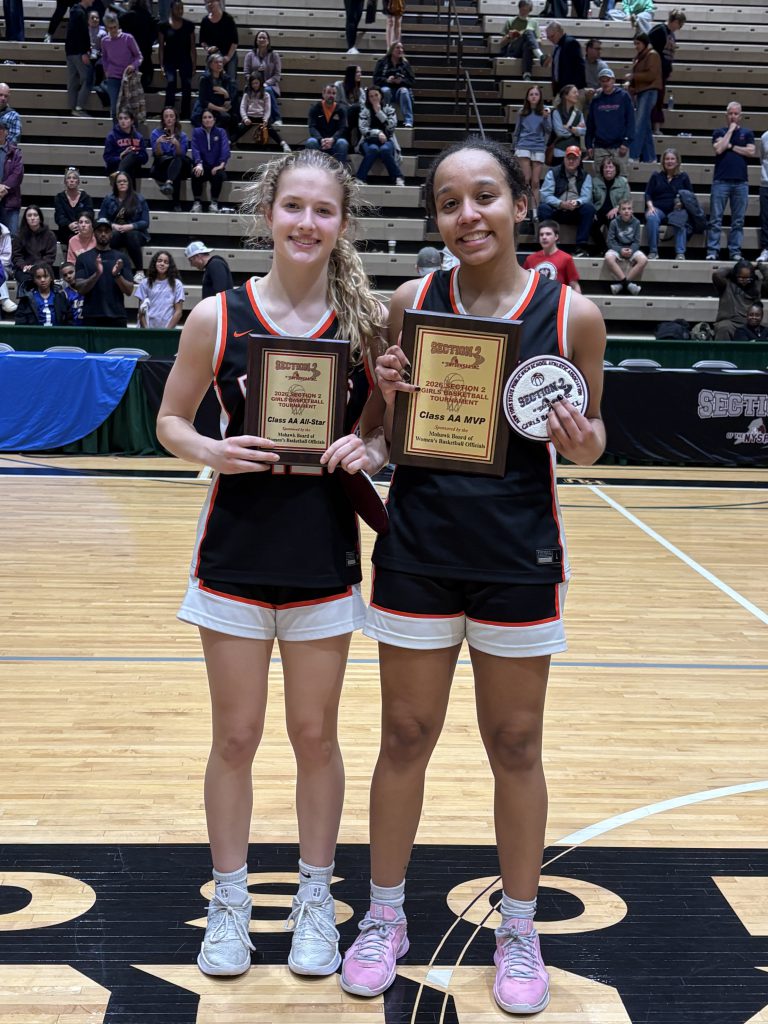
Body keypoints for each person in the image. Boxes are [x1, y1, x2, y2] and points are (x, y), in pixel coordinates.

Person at [340, 135, 605, 1015]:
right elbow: (382, 437)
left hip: (518, 555)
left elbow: (596, 438)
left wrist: (582, 441)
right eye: (449, 203)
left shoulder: (571, 316)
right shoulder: (410, 303)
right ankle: (384, 917)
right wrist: (368, 429)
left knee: (516, 746)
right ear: (438, 219)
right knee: (404, 739)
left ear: (519, 204)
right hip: (418, 549)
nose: (468, 215)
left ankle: (519, 927)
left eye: (485, 196)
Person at [156, 148, 388, 981]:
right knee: (236, 736)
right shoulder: (215, 318)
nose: (306, 223)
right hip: (234, 558)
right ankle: (228, 901)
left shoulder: (366, 327)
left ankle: (316, 902)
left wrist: (369, 444)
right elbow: (170, 423)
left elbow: (383, 432)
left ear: (342, 225)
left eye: (323, 211)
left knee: (316, 735)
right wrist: (215, 450)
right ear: (267, 215)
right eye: (293, 207)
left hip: (325, 557)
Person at [706, 102, 756, 262]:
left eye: (736, 114)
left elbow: (751, 152)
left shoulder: (747, 133)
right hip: (721, 181)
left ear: (740, 116)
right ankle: (713, 250)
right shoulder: (718, 132)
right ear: (726, 115)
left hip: (741, 182)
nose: (733, 116)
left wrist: (732, 145)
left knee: (738, 220)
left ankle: (735, 251)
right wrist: (730, 131)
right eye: (730, 113)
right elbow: (719, 149)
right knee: (715, 219)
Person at [74, 215, 134, 327]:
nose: (103, 234)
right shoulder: (83, 258)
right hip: (91, 316)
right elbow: (80, 289)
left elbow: (129, 290)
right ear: (94, 233)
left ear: (111, 234)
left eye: (106, 231)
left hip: (117, 316)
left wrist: (117, 275)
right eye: (99, 231)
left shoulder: (122, 258)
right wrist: (97, 274)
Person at [538, 145, 595, 257]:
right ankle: (549, 245)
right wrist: (561, 204)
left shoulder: (585, 176)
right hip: (557, 210)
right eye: (569, 158)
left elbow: (586, 197)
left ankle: (581, 247)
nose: (571, 161)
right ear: (564, 159)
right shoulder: (553, 173)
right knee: (543, 208)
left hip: (575, 211)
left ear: (579, 160)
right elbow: (545, 195)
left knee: (589, 208)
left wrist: (577, 202)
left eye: (574, 158)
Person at [98, 170, 150, 278]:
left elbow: (145, 222)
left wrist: (130, 226)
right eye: (119, 182)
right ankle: (109, 270)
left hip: (136, 233)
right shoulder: (109, 199)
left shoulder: (139, 199)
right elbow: (101, 218)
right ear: (115, 184)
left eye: (124, 181)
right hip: (116, 230)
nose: (122, 183)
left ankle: (140, 271)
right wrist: (113, 226)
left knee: (131, 235)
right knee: (109, 236)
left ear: (129, 183)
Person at [644, 147, 693, 260]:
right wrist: (650, 206)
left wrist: (682, 204)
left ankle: (680, 253)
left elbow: (690, 195)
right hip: (658, 208)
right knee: (651, 217)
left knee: (681, 217)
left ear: (677, 161)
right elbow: (648, 194)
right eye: (667, 159)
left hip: (677, 209)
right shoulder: (656, 175)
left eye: (672, 159)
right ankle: (653, 251)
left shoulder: (683, 176)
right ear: (663, 161)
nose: (669, 161)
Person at [512, 84, 550, 211]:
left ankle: (534, 211)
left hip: (538, 147)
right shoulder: (522, 113)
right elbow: (517, 131)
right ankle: (524, 209)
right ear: (528, 98)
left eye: (536, 94)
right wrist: (515, 147)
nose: (534, 97)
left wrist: (545, 119)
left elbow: (549, 130)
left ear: (540, 97)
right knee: (526, 179)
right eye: (531, 94)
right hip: (524, 146)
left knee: (535, 182)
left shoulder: (544, 113)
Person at [356, 86, 404, 185]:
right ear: (368, 98)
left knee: (385, 150)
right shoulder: (364, 111)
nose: (374, 98)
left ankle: (397, 177)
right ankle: (360, 178)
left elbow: (391, 127)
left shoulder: (389, 109)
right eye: (371, 96)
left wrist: (379, 112)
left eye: (376, 95)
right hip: (368, 140)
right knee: (373, 149)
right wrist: (378, 133)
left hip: (387, 140)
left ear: (381, 96)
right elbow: (363, 130)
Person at [625, 33, 661, 165]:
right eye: (635, 44)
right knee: (644, 125)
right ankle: (650, 157)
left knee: (639, 124)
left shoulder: (652, 55)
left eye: (638, 43)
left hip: (649, 91)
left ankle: (634, 155)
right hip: (642, 91)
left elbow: (651, 75)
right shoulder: (641, 56)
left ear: (644, 43)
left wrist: (634, 76)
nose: (636, 46)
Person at [648, 9, 685, 134]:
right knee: (654, 99)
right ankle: (651, 127)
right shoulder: (659, 30)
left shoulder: (671, 34)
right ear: (674, 21)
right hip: (655, 72)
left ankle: (656, 127)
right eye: (679, 25)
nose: (679, 28)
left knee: (659, 99)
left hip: (662, 73)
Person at [158, 0, 196, 120]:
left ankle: (185, 114)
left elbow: (192, 47)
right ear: (171, 9)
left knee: (187, 84)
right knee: (171, 82)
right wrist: (161, 65)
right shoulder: (163, 25)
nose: (179, 11)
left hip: (185, 59)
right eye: (177, 8)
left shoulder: (189, 25)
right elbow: (161, 47)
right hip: (169, 60)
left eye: (181, 9)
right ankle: (168, 113)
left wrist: (194, 64)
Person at [712, 260, 768, 341]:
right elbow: (717, 274)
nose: (744, 281)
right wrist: (737, 268)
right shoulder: (726, 284)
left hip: (750, 324)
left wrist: (759, 265)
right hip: (731, 323)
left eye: (747, 278)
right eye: (741, 278)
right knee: (724, 328)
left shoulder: (757, 285)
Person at [101, 12, 143, 121]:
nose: (113, 30)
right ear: (107, 28)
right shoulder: (105, 41)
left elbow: (139, 56)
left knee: (131, 108)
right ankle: (116, 135)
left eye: (115, 27)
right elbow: (104, 58)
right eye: (110, 28)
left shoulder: (128, 38)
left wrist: (133, 66)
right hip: (113, 77)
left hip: (128, 77)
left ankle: (133, 135)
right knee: (115, 108)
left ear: (118, 25)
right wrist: (106, 70)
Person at [235, 73, 290, 153]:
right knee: (240, 129)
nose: (255, 85)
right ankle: (230, 141)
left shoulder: (266, 94)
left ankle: (283, 143)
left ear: (260, 82)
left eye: (256, 83)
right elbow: (242, 107)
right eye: (253, 83)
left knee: (270, 129)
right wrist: (245, 118)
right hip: (250, 117)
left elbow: (268, 109)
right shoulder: (247, 94)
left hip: (262, 117)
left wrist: (266, 119)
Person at [150, 105, 191, 210]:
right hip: (162, 166)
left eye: (171, 116)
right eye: (166, 116)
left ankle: (169, 184)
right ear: (163, 119)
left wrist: (177, 144)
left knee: (177, 160)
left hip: (178, 164)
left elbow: (181, 154)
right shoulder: (156, 133)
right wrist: (158, 143)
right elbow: (158, 155)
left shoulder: (182, 136)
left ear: (175, 118)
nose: (169, 118)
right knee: (174, 169)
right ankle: (176, 203)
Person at [603, 198, 647, 294]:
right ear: (619, 211)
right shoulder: (614, 222)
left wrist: (631, 250)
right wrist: (620, 250)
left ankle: (621, 285)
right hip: (617, 248)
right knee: (608, 257)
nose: (626, 211)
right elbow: (610, 242)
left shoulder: (636, 222)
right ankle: (627, 283)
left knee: (643, 259)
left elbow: (637, 242)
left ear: (632, 210)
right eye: (623, 209)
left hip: (631, 248)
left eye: (629, 208)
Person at [191, 108, 230, 213]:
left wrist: (221, 165)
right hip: (203, 165)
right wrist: (198, 163)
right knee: (195, 172)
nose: (207, 120)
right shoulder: (197, 132)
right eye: (205, 117)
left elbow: (225, 149)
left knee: (218, 175)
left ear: (214, 119)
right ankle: (197, 202)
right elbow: (195, 150)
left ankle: (214, 203)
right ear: (202, 120)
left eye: (209, 117)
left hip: (217, 166)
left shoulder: (221, 132)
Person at [524, 218, 581, 290]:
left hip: (557, 299)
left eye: (548, 234)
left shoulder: (566, 258)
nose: (544, 237)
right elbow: (524, 283)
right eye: (541, 235)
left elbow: (574, 285)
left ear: (556, 237)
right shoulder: (530, 259)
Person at [11, 205, 58, 289]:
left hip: (44, 267)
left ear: (40, 217)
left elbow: (50, 256)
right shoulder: (19, 235)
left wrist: (35, 267)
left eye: (35, 215)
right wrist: (24, 266)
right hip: (24, 269)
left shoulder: (50, 235)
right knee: (27, 281)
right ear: (25, 219)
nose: (32, 218)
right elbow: (16, 256)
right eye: (29, 216)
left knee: (43, 278)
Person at [243, 31, 283, 126]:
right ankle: (245, 119)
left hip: (270, 86)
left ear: (268, 41)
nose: (262, 39)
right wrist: (254, 80)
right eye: (259, 38)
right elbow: (246, 73)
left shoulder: (274, 55)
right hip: (253, 85)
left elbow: (277, 75)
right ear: (256, 40)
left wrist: (265, 84)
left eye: (264, 38)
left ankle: (277, 118)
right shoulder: (250, 55)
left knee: (267, 90)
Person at [136, 249, 185, 327]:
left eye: (166, 262)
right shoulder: (144, 283)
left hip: (167, 330)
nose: (162, 264)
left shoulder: (177, 284)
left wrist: (166, 332)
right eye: (159, 261)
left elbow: (178, 312)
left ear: (169, 266)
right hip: (147, 329)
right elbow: (141, 311)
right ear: (155, 263)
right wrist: (146, 330)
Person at [590, 153, 630, 247]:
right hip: (598, 211)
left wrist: (617, 208)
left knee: (613, 222)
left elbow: (626, 200)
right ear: (602, 169)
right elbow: (589, 199)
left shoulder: (623, 182)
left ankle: (615, 249)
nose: (608, 170)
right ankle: (603, 248)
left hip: (614, 211)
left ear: (616, 169)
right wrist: (592, 211)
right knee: (590, 223)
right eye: (606, 167)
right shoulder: (595, 181)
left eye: (611, 167)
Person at [191, 51, 237, 131]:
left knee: (232, 118)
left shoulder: (226, 79)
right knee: (201, 118)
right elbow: (203, 101)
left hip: (218, 106)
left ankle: (226, 140)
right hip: (205, 107)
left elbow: (228, 101)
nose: (219, 64)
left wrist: (226, 94)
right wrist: (220, 109)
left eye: (221, 62)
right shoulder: (204, 78)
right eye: (216, 62)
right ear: (210, 64)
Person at [372, 42, 415, 128]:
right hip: (387, 88)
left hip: (400, 90)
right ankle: (384, 118)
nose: (400, 50)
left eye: (401, 48)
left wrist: (401, 81)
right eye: (397, 48)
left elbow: (412, 81)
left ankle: (408, 120)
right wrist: (387, 80)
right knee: (385, 90)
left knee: (404, 91)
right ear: (392, 50)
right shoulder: (382, 62)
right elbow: (375, 79)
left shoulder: (405, 64)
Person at [305, 84, 349, 165]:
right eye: (329, 93)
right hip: (320, 142)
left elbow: (343, 128)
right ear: (323, 94)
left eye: (333, 93)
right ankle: (313, 171)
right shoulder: (315, 107)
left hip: (334, 142)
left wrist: (333, 139)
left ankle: (340, 173)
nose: (331, 95)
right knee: (311, 142)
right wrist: (320, 139)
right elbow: (312, 127)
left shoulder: (341, 109)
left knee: (343, 143)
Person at [119, 0, 157, 94]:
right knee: (143, 80)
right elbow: (155, 29)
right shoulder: (148, 17)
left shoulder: (124, 17)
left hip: (128, 54)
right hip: (144, 53)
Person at [103, 108, 148, 186]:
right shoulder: (112, 136)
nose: (122, 121)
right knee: (128, 166)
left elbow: (145, 158)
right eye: (120, 118)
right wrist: (121, 156)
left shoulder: (138, 137)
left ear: (132, 121)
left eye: (126, 118)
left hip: (134, 166)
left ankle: (119, 174)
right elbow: (107, 158)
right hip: (115, 166)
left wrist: (135, 154)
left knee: (132, 155)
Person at [499, 0, 544, 79]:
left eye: (526, 10)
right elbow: (501, 44)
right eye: (522, 9)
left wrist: (529, 38)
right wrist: (509, 36)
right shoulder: (511, 21)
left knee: (527, 42)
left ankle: (527, 74)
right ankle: (540, 56)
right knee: (528, 32)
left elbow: (539, 42)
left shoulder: (534, 22)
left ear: (530, 10)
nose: (524, 12)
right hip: (514, 49)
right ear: (519, 8)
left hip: (527, 49)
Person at [53, 168, 94, 252]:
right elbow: (59, 216)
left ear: (78, 181)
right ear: (65, 181)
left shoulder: (86, 197)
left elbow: (90, 214)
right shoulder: (59, 197)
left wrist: (80, 224)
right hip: (66, 230)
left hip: (83, 228)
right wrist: (69, 224)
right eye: (69, 178)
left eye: (74, 178)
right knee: (72, 237)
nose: (71, 180)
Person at [65, 0, 94, 118]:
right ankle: (79, 107)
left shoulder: (74, 11)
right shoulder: (80, 13)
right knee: (88, 78)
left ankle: (72, 108)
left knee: (73, 80)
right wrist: (84, 51)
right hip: (78, 52)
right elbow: (81, 34)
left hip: (70, 51)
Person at [198, 0, 239, 79]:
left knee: (231, 81)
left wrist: (227, 57)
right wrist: (208, 49)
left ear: (218, 2)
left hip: (229, 54)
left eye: (212, 1)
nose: (209, 4)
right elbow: (202, 41)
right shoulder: (205, 21)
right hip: (213, 56)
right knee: (208, 79)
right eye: (207, 2)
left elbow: (234, 41)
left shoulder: (228, 19)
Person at [545, 22, 585, 98]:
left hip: (571, 90)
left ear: (559, 32)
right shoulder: (556, 47)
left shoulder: (571, 43)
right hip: (560, 90)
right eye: (548, 37)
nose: (550, 40)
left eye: (552, 36)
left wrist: (574, 89)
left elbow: (580, 67)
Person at [551, 84, 585, 166]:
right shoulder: (556, 112)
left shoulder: (579, 113)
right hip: (560, 150)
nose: (577, 94)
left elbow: (584, 131)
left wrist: (570, 128)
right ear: (566, 96)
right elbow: (560, 132)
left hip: (575, 151)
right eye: (574, 92)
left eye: (577, 92)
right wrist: (576, 130)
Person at [0, 121, 23, 236]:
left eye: (1, 129)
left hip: (10, 200)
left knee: (11, 235)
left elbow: (18, 174)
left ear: (6, 132)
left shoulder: (15, 152)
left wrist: (3, 188)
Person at [335, 64, 364, 149]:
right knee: (355, 109)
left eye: (360, 72)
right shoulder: (339, 85)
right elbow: (336, 103)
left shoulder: (360, 90)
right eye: (357, 72)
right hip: (342, 114)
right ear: (351, 73)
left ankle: (358, 143)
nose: (360, 74)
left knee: (359, 111)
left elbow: (363, 105)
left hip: (355, 118)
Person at [584, 37, 609, 105]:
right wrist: (585, 91)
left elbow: (608, 84)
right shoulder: (579, 64)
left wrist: (596, 91)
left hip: (598, 93)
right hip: (583, 93)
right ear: (589, 49)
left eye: (600, 49)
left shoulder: (603, 66)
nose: (599, 51)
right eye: (597, 49)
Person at [0, 221, 16, 313]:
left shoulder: (5, 232)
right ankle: (4, 299)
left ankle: (4, 299)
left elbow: (6, 258)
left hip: (3, 267)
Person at [759, 128, 768, 264]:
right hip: (766, 183)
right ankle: (766, 249)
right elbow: (762, 158)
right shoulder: (765, 136)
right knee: (765, 219)